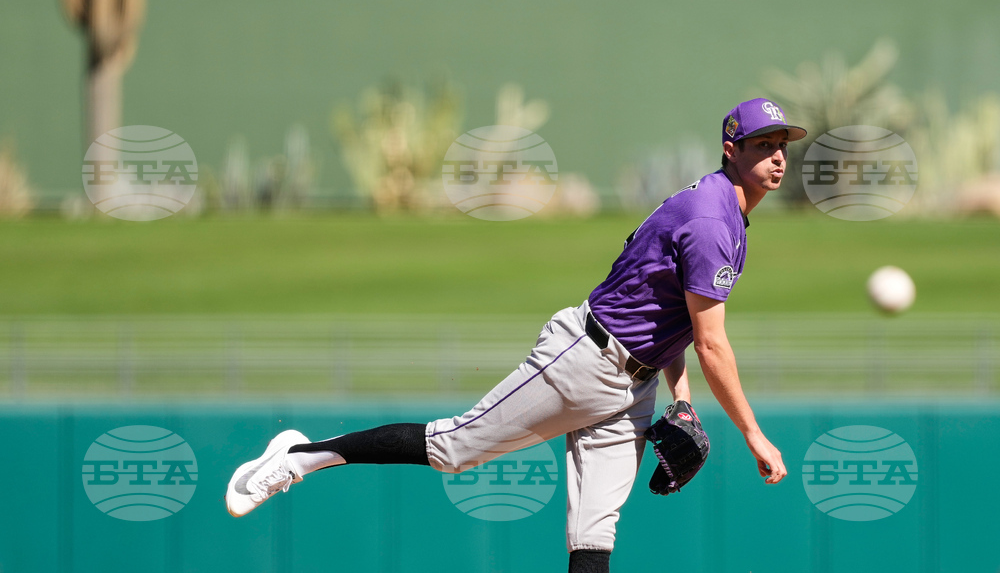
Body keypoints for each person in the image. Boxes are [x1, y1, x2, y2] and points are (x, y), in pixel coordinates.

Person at [226, 97, 807, 573]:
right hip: (585, 362)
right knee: (454, 450)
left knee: (593, 537)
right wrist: (753, 435)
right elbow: (710, 344)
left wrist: (681, 399)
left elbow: (672, 317)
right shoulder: (711, 220)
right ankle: (301, 456)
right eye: (763, 145)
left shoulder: (723, 210)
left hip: (633, 388)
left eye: (782, 146)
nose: (777, 157)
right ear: (731, 149)